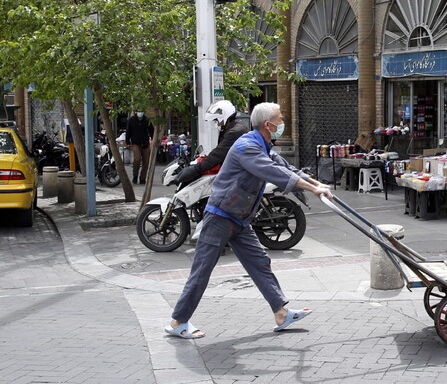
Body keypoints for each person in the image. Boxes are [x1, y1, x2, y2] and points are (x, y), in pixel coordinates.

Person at [165, 102, 333, 339]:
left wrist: (317, 185)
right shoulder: (248, 147)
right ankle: (177, 322)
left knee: (260, 263)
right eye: (280, 118)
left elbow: (286, 168)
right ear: (268, 124)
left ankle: (281, 313)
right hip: (221, 216)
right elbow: (274, 173)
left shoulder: (264, 145)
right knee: (202, 270)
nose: (283, 123)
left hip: (241, 218)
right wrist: (313, 190)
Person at [175, 100, 248, 184]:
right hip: (238, 174)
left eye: (216, 120)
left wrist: (195, 170)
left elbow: (217, 155)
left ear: (224, 117)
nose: (216, 124)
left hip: (240, 178)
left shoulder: (234, 132)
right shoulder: (234, 128)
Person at [126, 110, 154, 184]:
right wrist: (127, 142)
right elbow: (128, 131)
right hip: (135, 143)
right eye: (138, 111)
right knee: (137, 159)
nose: (140, 113)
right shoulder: (131, 120)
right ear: (136, 112)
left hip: (145, 143)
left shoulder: (147, 120)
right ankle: (135, 176)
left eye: (141, 111)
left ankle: (142, 178)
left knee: (146, 162)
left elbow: (151, 131)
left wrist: (153, 139)